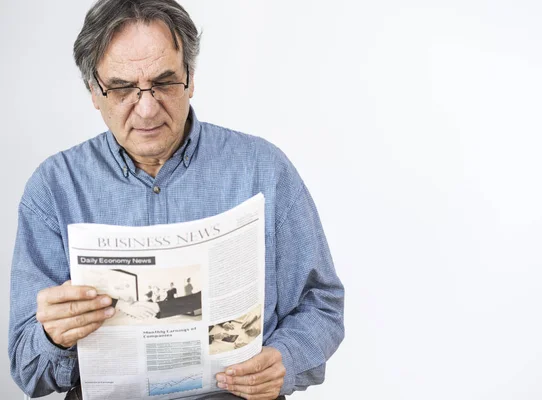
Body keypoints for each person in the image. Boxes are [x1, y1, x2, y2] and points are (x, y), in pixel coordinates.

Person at [8, 0, 344, 399]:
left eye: (165, 83)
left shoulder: (263, 169)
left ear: (191, 78)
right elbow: (27, 370)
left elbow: (320, 303)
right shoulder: (54, 187)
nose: (147, 109)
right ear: (94, 92)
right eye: (121, 88)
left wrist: (284, 359)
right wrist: (53, 336)